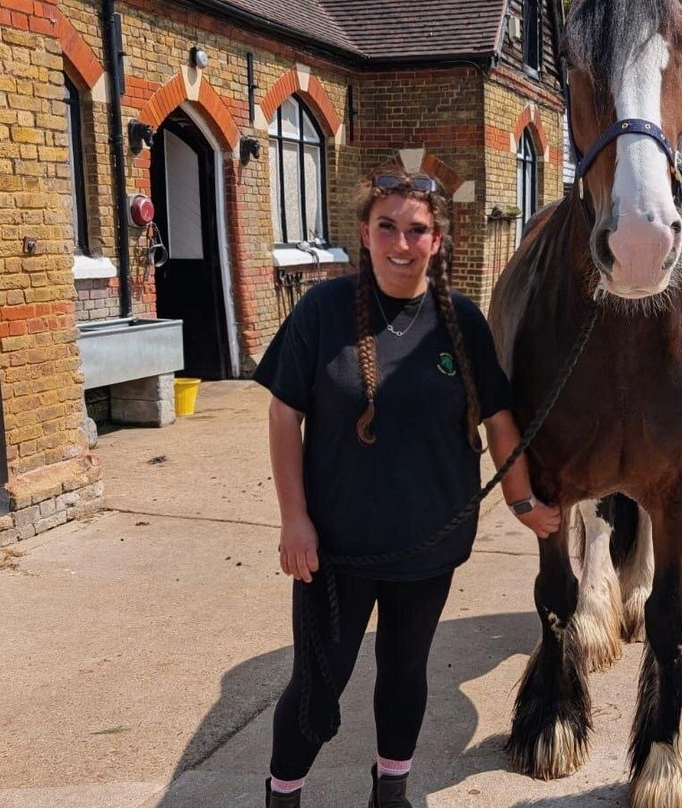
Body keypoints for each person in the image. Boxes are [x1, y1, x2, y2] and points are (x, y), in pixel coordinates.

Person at [254, 170, 561, 808]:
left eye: (416, 230)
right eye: (387, 227)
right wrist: (294, 519)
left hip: (428, 545)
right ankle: (284, 793)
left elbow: (500, 420)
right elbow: (286, 413)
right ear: (365, 234)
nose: (402, 243)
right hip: (335, 550)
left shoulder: (462, 324)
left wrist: (524, 504)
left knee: (405, 671)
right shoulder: (323, 311)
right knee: (319, 679)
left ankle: (390, 786)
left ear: (437, 240)